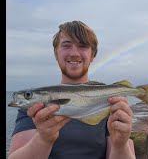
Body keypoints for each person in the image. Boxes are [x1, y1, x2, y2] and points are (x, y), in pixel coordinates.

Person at [8, 21, 136, 159]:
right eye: (66, 45)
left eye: (82, 46)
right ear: (56, 53)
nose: (74, 53)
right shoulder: (32, 110)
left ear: (93, 55)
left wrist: (120, 145)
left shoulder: (112, 103)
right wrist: (43, 139)